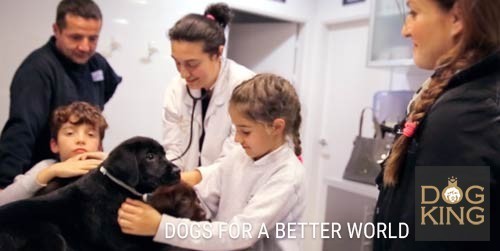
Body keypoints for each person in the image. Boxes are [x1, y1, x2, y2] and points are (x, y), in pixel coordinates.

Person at [118, 74, 305, 251]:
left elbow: (240, 234)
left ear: (276, 127)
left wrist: (161, 227)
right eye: (236, 129)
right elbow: (203, 199)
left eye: (245, 131)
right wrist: (152, 202)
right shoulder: (239, 156)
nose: (238, 139)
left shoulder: (287, 176)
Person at [374, 0, 500, 250]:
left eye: (414, 13)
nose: (405, 30)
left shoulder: (466, 119)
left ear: (457, 18)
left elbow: (444, 239)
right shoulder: (465, 101)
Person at [0, 0, 121, 188]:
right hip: (43, 180)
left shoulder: (97, 65)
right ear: (56, 30)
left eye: (93, 38)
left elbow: (97, 110)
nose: (85, 47)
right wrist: (5, 183)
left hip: (83, 177)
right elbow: (21, 129)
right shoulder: (37, 70)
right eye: (76, 37)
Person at [162, 3, 254, 173]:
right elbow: (173, 149)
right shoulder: (177, 88)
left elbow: (236, 155)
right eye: (177, 62)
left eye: (192, 64)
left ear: (218, 53)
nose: (183, 73)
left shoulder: (246, 87)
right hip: (187, 190)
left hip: (229, 190)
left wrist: (193, 179)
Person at [0, 101, 108, 206]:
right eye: (70, 133)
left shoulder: (105, 170)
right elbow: (3, 201)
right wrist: (50, 172)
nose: (80, 140)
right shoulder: (47, 166)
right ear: (55, 145)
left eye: (90, 134)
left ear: (99, 147)